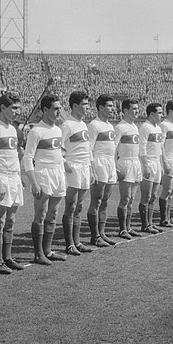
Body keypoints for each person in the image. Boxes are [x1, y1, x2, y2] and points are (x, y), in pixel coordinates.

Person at [23, 94, 67, 265]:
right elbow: (27, 158)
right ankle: (38, 253)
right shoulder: (36, 131)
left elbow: (58, 153)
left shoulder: (58, 130)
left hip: (58, 174)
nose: (59, 111)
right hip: (43, 174)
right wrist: (34, 182)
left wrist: (65, 164)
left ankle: (48, 250)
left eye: (60, 108)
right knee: (41, 214)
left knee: (53, 214)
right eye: (55, 108)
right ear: (45, 110)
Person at [0, 92, 27, 271]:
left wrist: (20, 174)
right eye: (14, 108)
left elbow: (15, 155)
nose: (18, 112)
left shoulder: (12, 129)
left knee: (11, 220)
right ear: (3, 108)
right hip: (0, 178)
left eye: (19, 108)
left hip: (14, 177)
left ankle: (8, 257)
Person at [61, 91, 95, 254]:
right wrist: (64, 163)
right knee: (71, 206)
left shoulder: (83, 124)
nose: (87, 107)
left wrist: (91, 167)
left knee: (80, 206)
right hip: (73, 167)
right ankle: (69, 244)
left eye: (88, 104)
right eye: (84, 104)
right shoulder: (67, 125)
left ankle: (77, 241)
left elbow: (87, 149)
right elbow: (58, 147)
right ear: (75, 106)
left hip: (84, 168)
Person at [87, 95, 118, 246]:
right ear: (100, 108)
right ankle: (95, 236)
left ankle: (102, 233)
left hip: (110, 163)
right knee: (97, 200)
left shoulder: (110, 125)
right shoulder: (94, 125)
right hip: (99, 162)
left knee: (105, 201)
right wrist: (92, 168)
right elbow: (89, 148)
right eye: (110, 106)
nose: (113, 109)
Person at [114, 98, 143, 239]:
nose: (137, 111)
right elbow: (113, 148)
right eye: (134, 109)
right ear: (125, 110)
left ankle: (129, 227)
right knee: (125, 198)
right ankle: (122, 229)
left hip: (135, 163)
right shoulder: (120, 127)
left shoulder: (135, 126)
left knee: (131, 198)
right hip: (125, 163)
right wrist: (115, 166)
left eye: (137, 109)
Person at [138, 102, 164, 233]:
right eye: (159, 113)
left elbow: (159, 149)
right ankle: (145, 224)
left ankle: (150, 223)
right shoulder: (145, 127)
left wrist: (161, 164)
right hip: (148, 163)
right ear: (152, 114)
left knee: (153, 195)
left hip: (157, 163)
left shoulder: (158, 128)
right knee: (146, 195)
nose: (161, 115)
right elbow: (141, 147)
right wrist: (145, 166)